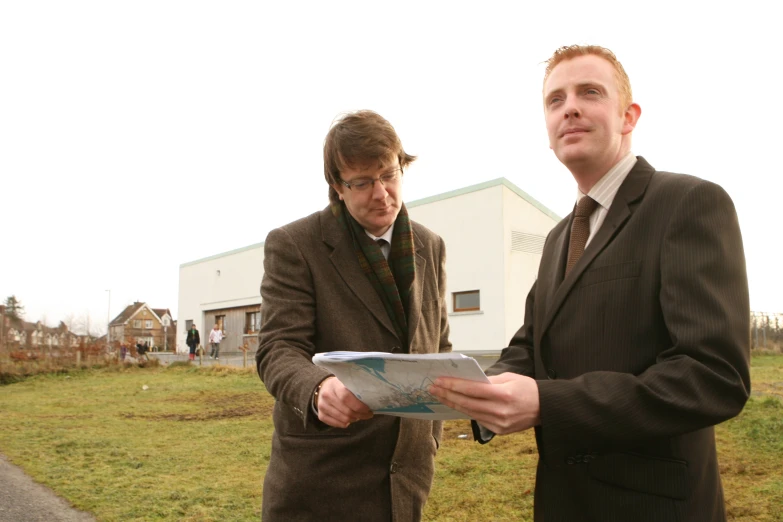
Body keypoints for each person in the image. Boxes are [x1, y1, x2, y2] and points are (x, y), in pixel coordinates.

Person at [430, 45, 750, 522]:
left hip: (650, 506)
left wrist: (547, 403)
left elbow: (713, 376)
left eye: (590, 93)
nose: (570, 107)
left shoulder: (688, 202)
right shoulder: (559, 235)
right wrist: (468, 388)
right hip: (563, 501)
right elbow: (532, 347)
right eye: (555, 100)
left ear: (628, 116)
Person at [256, 110, 452, 521]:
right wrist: (319, 389)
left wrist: (431, 435)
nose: (381, 193)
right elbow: (278, 348)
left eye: (389, 175)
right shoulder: (294, 245)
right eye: (362, 182)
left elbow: (439, 344)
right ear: (337, 187)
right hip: (323, 478)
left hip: (407, 477)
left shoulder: (430, 246)